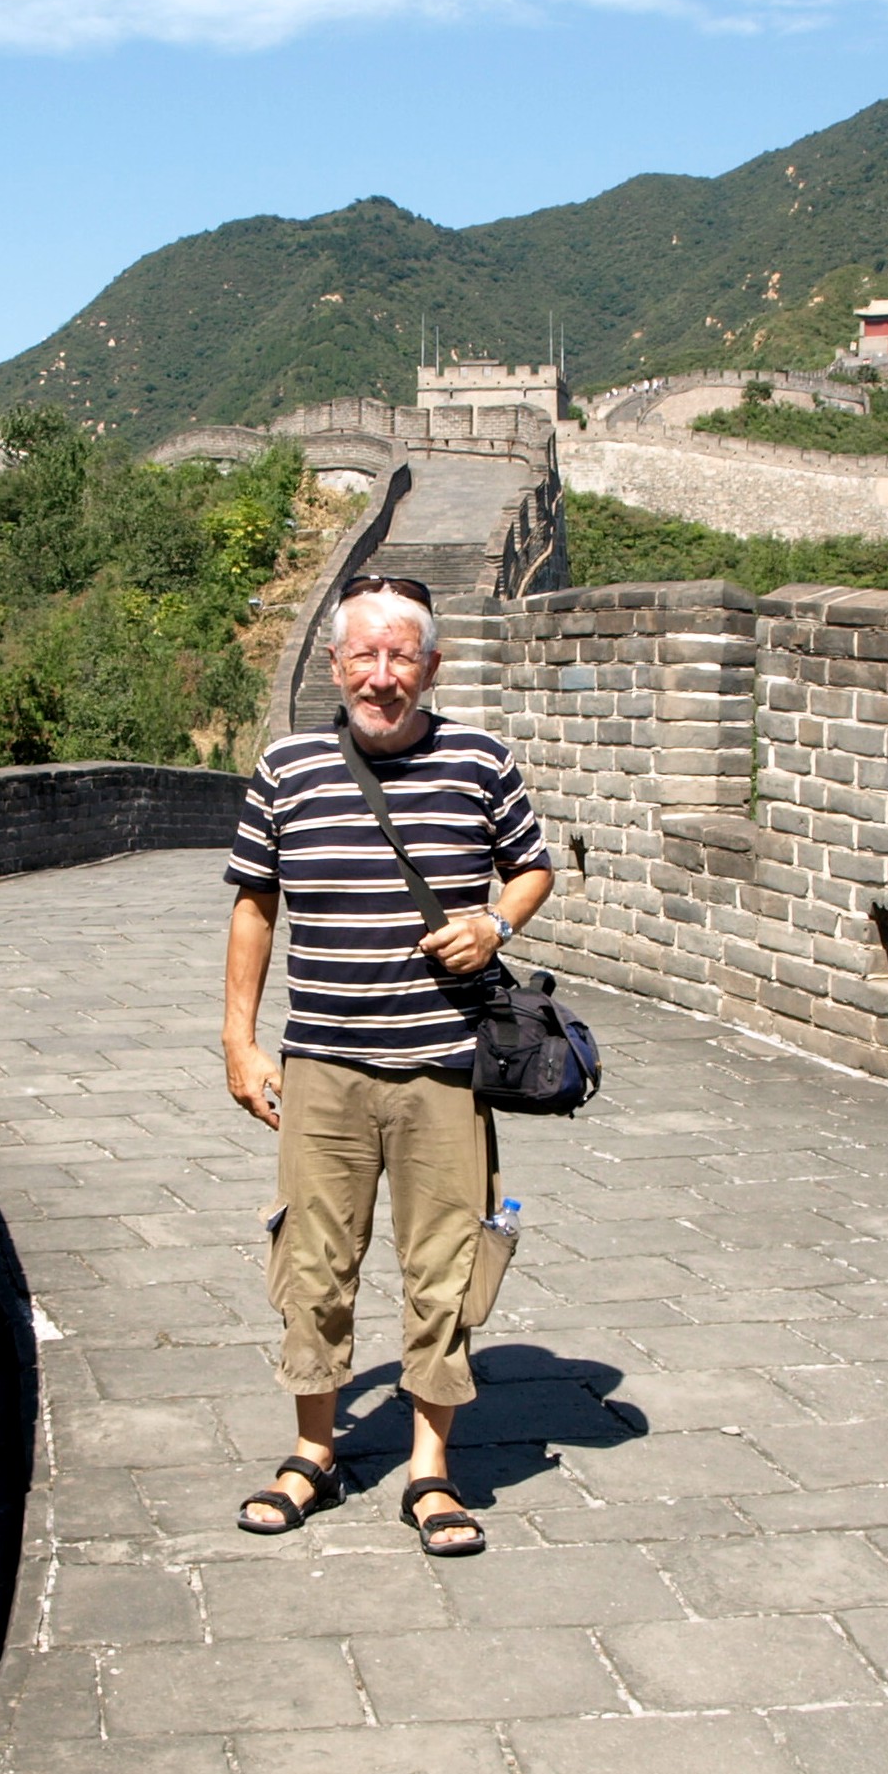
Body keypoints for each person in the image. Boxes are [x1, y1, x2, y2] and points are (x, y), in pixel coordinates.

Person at [220, 574, 554, 1555]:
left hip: (447, 1070)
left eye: (400, 656)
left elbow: (534, 864)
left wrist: (496, 922)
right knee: (312, 1266)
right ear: (334, 665)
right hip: (321, 1066)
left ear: (431, 667)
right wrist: (239, 1042)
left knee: (444, 1269)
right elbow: (253, 906)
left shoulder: (481, 762)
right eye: (362, 656)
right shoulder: (287, 770)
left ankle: (430, 1469)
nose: (381, 676)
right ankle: (312, 1451)